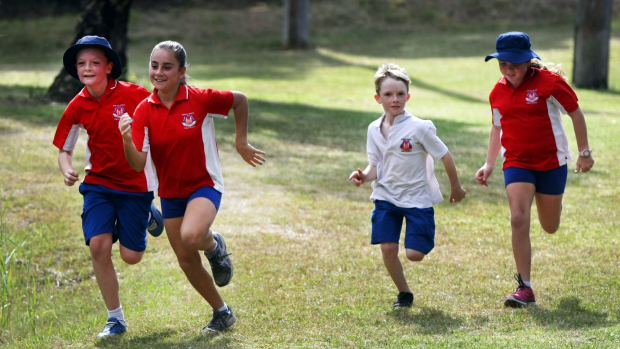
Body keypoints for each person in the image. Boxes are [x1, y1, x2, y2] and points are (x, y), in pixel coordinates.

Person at [119, 41, 266, 333]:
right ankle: (222, 312)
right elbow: (137, 164)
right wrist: (126, 140)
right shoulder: (143, 111)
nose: (159, 72)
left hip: (204, 184)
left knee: (192, 235)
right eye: (154, 65)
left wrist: (241, 142)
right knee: (186, 260)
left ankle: (214, 246)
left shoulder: (200, 99)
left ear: (182, 71)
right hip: (171, 192)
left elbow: (240, 100)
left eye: (167, 67)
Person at [52, 35, 164, 338]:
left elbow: (161, 107)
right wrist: (67, 170)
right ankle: (115, 319)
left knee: (131, 256)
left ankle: (149, 215)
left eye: (95, 63)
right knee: (98, 246)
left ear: (109, 67)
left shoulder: (133, 94)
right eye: (81, 64)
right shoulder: (77, 105)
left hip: (135, 185)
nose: (87, 68)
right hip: (98, 184)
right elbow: (64, 147)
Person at [476, 31, 595, 307]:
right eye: (502, 64)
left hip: (552, 164)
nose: (508, 69)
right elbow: (497, 127)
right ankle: (525, 288)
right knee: (518, 218)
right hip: (517, 162)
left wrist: (584, 152)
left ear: (529, 60)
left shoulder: (550, 84)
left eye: (514, 63)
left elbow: (576, 112)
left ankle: (554, 205)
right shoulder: (497, 91)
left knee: (549, 226)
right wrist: (490, 163)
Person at [349, 63, 466, 308]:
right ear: (377, 98)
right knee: (389, 248)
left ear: (408, 96)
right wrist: (363, 176)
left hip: (417, 199)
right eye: (388, 94)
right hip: (386, 198)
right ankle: (404, 293)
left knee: (415, 255)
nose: (395, 99)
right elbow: (375, 165)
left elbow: (445, 155)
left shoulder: (419, 128)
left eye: (400, 94)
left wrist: (455, 188)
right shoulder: (373, 129)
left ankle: (422, 236)